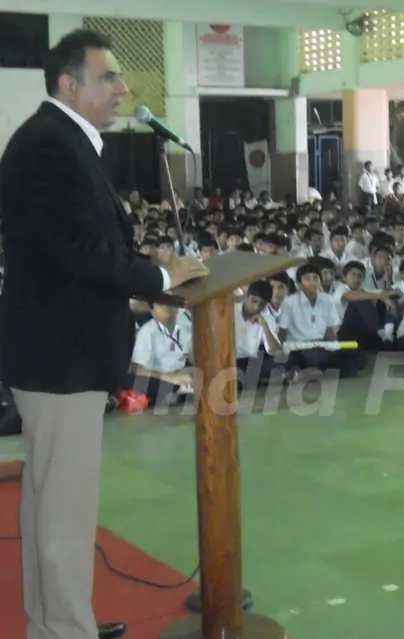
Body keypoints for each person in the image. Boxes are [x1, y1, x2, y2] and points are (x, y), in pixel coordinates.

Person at [0, 29, 208, 639]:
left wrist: (149, 260)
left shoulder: (64, 142)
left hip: (59, 348)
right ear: (69, 85)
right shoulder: (47, 147)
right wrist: (159, 273)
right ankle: (64, 629)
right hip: (60, 351)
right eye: (108, 77)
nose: (123, 88)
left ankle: (56, 621)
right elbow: (75, 251)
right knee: (62, 509)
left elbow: (87, 241)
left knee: (48, 501)